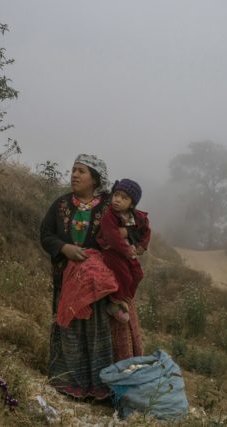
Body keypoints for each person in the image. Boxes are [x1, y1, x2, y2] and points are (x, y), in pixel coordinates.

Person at [39, 154, 143, 400]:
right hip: (69, 280)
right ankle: (71, 384)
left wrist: (131, 244)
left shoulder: (112, 204)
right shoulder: (62, 204)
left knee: (102, 333)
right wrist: (65, 249)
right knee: (73, 328)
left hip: (104, 284)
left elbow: (133, 227)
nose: (74, 175)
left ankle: (106, 388)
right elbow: (46, 234)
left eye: (81, 171)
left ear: (95, 179)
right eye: (73, 170)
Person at [97, 179, 151, 323]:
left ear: (132, 204)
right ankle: (114, 304)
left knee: (138, 274)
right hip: (112, 251)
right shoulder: (109, 215)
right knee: (125, 276)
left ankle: (126, 299)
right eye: (116, 195)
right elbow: (112, 236)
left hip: (129, 252)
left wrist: (142, 246)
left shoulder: (137, 217)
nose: (117, 200)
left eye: (124, 198)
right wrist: (127, 250)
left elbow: (146, 231)